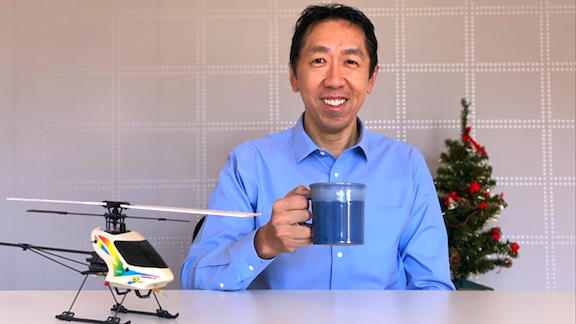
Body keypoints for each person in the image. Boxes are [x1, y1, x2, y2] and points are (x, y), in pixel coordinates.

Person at [181, 3, 455, 290]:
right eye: (318, 61)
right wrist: (263, 243)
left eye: (351, 62)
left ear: (371, 78)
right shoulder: (248, 163)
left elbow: (433, 289)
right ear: (293, 77)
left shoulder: (407, 165)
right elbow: (194, 281)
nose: (335, 80)